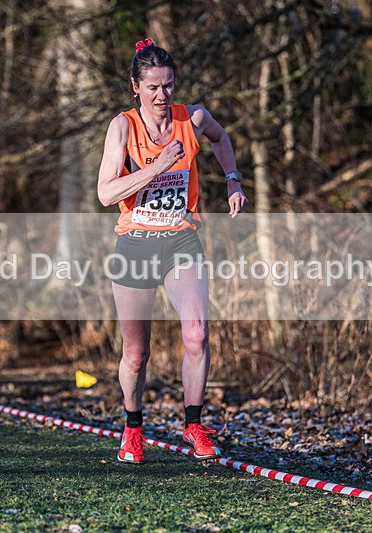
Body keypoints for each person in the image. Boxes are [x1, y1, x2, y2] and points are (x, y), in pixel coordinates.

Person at [97, 38, 247, 463]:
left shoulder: (192, 118)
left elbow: (221, 138)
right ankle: (132, 428)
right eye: (154, 88)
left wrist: (233, 179)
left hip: (181, 239)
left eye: (169, 87)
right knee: (136, 354)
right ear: (135, 87)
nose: (163, 97)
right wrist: (158, 165)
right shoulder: (122, 127)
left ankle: (195, 425)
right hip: (135, 245)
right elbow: (106, 193)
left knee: (197, 333)